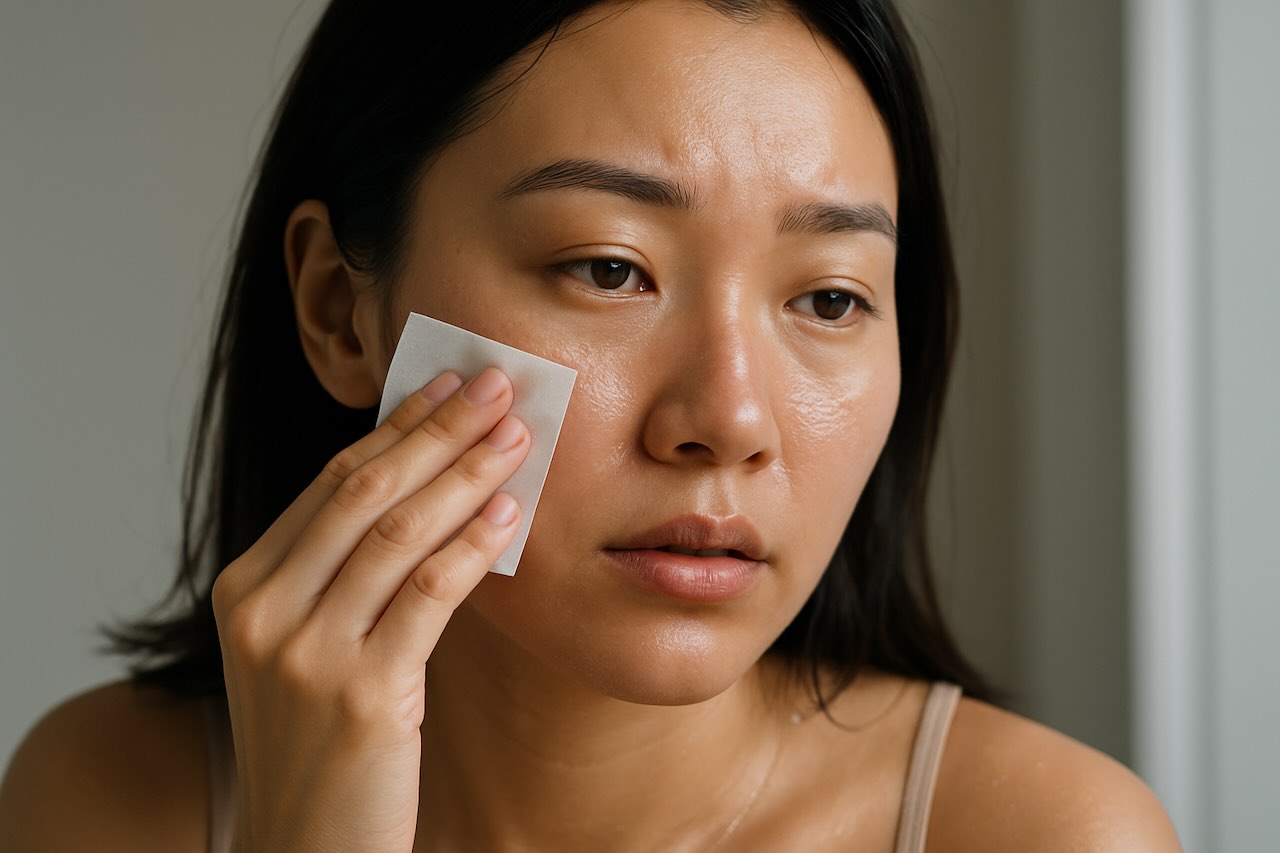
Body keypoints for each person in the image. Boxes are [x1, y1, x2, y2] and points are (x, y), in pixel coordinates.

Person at [0, 1, 1180, 850]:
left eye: (827, 297)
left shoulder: (1043, 833)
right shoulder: (105, 798)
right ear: (335, 310)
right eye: (607, 270)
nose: (726, 419)